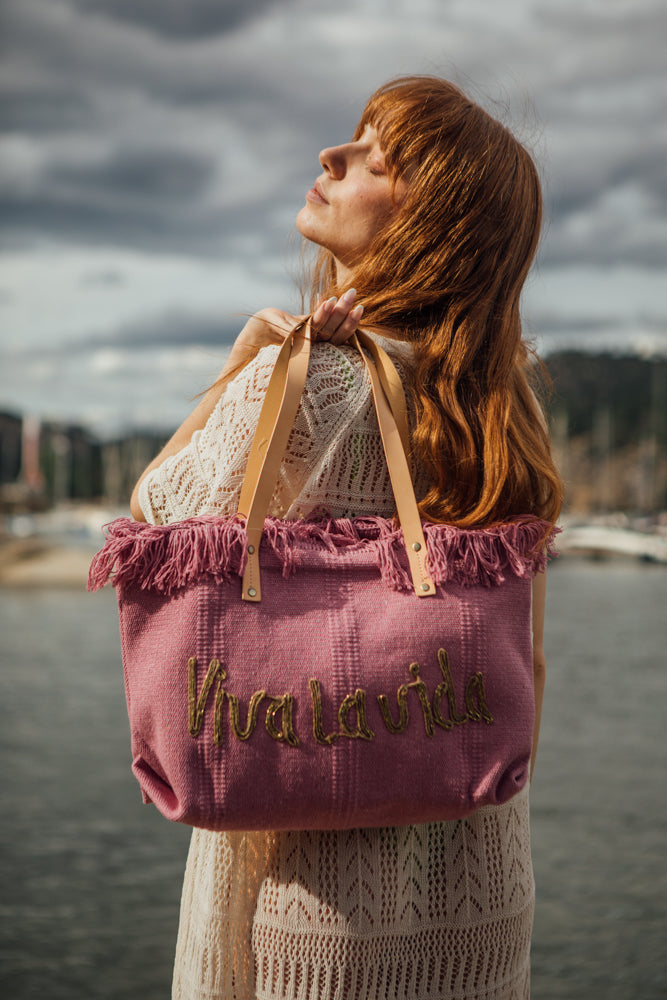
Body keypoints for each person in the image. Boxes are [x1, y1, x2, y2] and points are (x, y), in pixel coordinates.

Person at [130, 75, 563, 1000]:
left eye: (381, 157)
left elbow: (159, 516)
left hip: (313, 909)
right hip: (475, 887)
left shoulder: (317, 383)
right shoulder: (501, 404)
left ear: (430, 228)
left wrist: (250, 359)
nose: (334, 156)